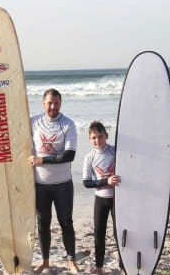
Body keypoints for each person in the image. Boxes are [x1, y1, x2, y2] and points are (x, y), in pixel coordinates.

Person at [28, 88, 80, 274]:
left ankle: (71, 261)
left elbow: (69, 155)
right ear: (43, 103)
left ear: (60, 104)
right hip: (40, 184)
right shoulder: (33, 122)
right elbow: (9, 137)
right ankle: (45, 261)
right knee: (43, 224)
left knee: (66, 222)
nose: (53, 106)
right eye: (49, 103)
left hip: (63, 184)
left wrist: (42, 159)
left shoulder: (68, 125)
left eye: (56, 103)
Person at [82, 121, 121, 274]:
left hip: (118, 199)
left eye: (100, 137)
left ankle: (123, 265)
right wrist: (106, 181)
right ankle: (99, 266)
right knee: (99, 233)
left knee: (119, 232)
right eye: (93, 138)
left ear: (106, 136)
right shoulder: (89, 157)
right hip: (101, 199)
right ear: (89, 139)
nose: (97, 141)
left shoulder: (115, 151)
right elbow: (86, 182)